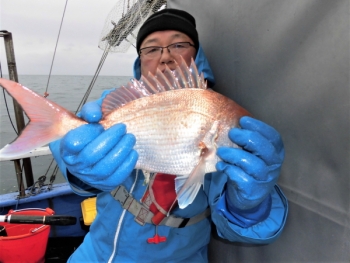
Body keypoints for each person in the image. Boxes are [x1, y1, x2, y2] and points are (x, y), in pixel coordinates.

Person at [50, 8, 288, 262]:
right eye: (151, 48)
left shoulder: (215, 110)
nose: (165, 57)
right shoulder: (112, 104)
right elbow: (66, 146)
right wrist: (78, 167)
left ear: (196, 55)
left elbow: (242, 230)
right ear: (140, 61)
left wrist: (250, 208)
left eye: (178, 44)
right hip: (95, 254)